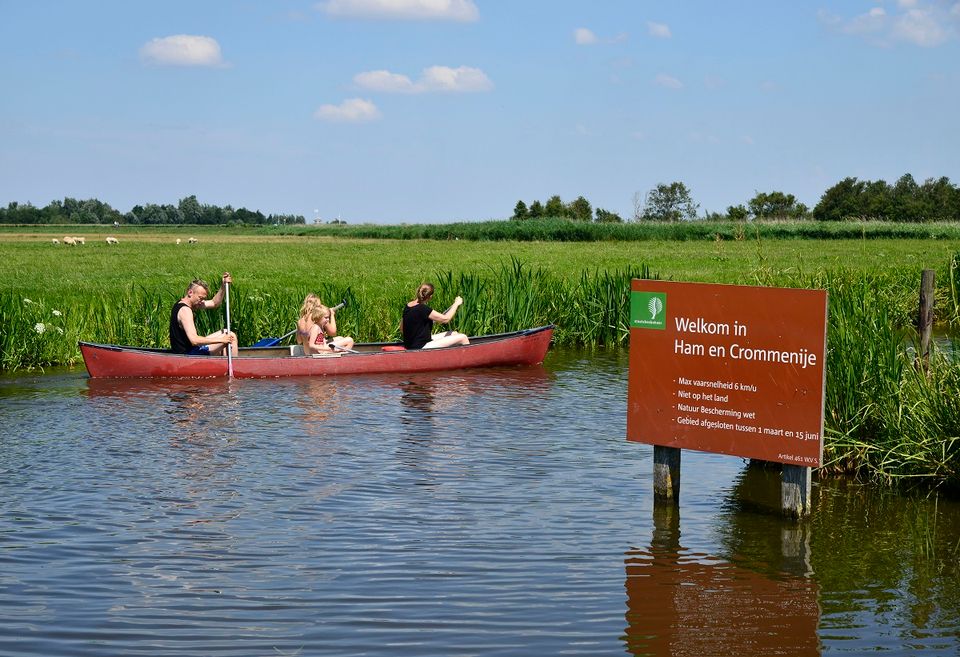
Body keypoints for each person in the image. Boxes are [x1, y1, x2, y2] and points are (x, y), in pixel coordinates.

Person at [169, 273, 238, 356]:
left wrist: (223, 286)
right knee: (232, 337)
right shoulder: (185, 311)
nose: (202, 301)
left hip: (190, 349)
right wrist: (221, 340)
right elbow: (194, 340)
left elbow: (214, 303)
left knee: (227, 332)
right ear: (190, 293)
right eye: (200, 298)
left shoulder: (186, 303)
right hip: (188, 354)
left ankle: (222, 365)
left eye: (203, 299)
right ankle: (235, 367)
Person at [402, 283, 470, 350]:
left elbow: (402, 328)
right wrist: (456, 303)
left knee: (453, 333)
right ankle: (469, 359)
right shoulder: (423, 309)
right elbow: (446, 319)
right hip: (420, 346)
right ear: (430, 296)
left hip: (412, 344)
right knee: (463, 337)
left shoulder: (408, 306)